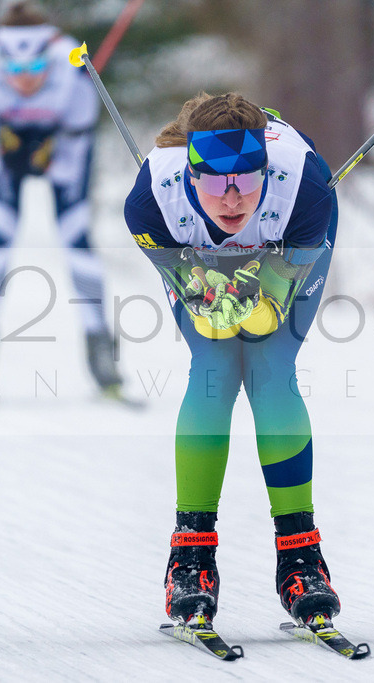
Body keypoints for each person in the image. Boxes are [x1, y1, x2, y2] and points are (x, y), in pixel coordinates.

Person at [124, 92, 342, 629]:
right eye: (214, 182)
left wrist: (262, 300)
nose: (231, 199)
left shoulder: (305, 190)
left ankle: (301, 558)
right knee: (215, 368)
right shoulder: (152, 202)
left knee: (269, 367)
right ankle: (191, 557)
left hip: (286, 239)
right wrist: (210, 301)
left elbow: (269, 305)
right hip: (194, 252)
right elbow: (201, 304)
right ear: (190, 175)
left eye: (246, 180)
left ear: (266, 168)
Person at [0, 1, 122, 398]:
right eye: (15, 70)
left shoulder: (73, 69)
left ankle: (100, 348)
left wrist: (51, 153)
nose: (25, 79)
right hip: (6, 150)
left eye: (34, 69)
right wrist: (6, 153)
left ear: (48, 57)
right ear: (2, 63)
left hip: (64, 147)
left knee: (76, 236)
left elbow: (80, 137)